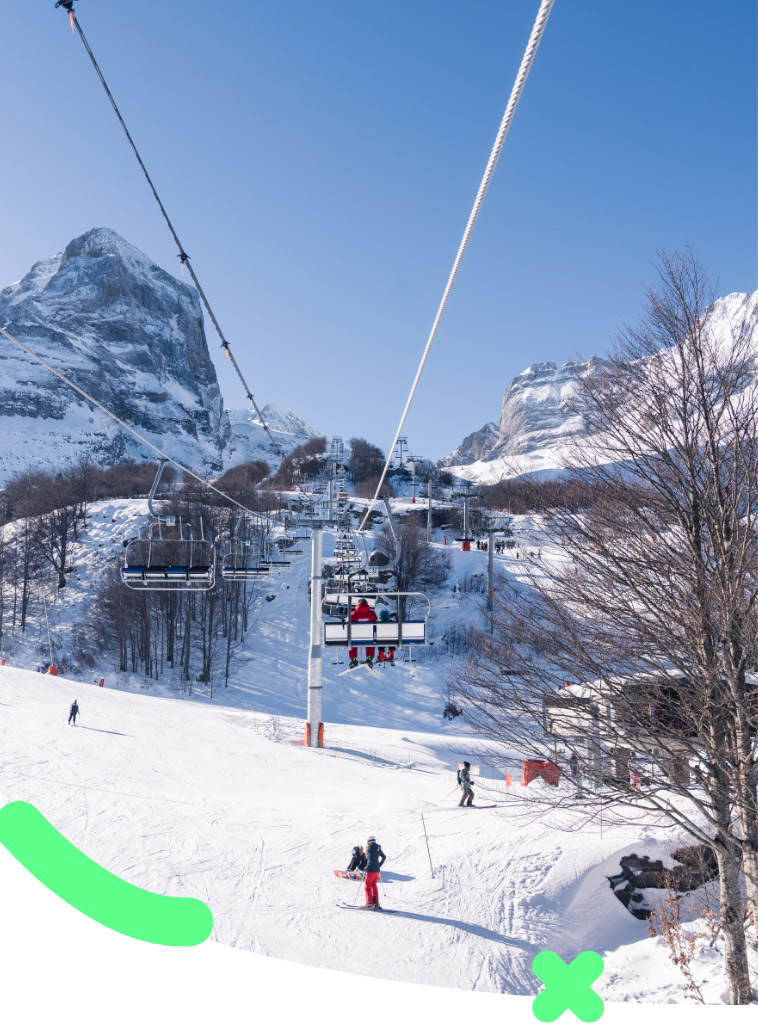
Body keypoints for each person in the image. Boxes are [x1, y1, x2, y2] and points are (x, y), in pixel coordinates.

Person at [348, 598, 377, 668]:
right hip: (368, 637)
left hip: (355, 637)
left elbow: (347, 622)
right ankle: (369, 658)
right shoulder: (372, 614)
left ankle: (353, 659)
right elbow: (375, 621)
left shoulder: (353, 614)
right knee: (371, 640)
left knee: (352, 642)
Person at [364, 835, 386, 908]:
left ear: (369, 841)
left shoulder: (370, 847)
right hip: (377, 870)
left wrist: (367, 867)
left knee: (367, 886)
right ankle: (376, 902)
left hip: (371, 870)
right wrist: (379, 865)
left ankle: (369, 902)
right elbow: (384, 857)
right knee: (373, 885)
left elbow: (370, 859)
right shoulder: (378, 847)